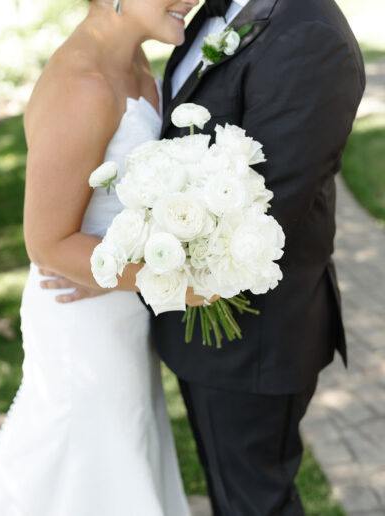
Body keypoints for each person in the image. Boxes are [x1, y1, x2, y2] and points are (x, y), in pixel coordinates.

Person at [40, 0, 366, 514]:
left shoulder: (307, 35)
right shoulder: (207, 18)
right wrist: (111, 258)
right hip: (197, 333)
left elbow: (265, 216)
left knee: (253, 503)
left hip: (249, 341)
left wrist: (123, 271)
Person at [0, 0, 201, 514]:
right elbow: (47, 243)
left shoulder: (136, 62)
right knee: (83, 469)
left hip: (117, 302)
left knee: (120, 456)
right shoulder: (83, 86)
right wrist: (181, 283)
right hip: (83, 323)